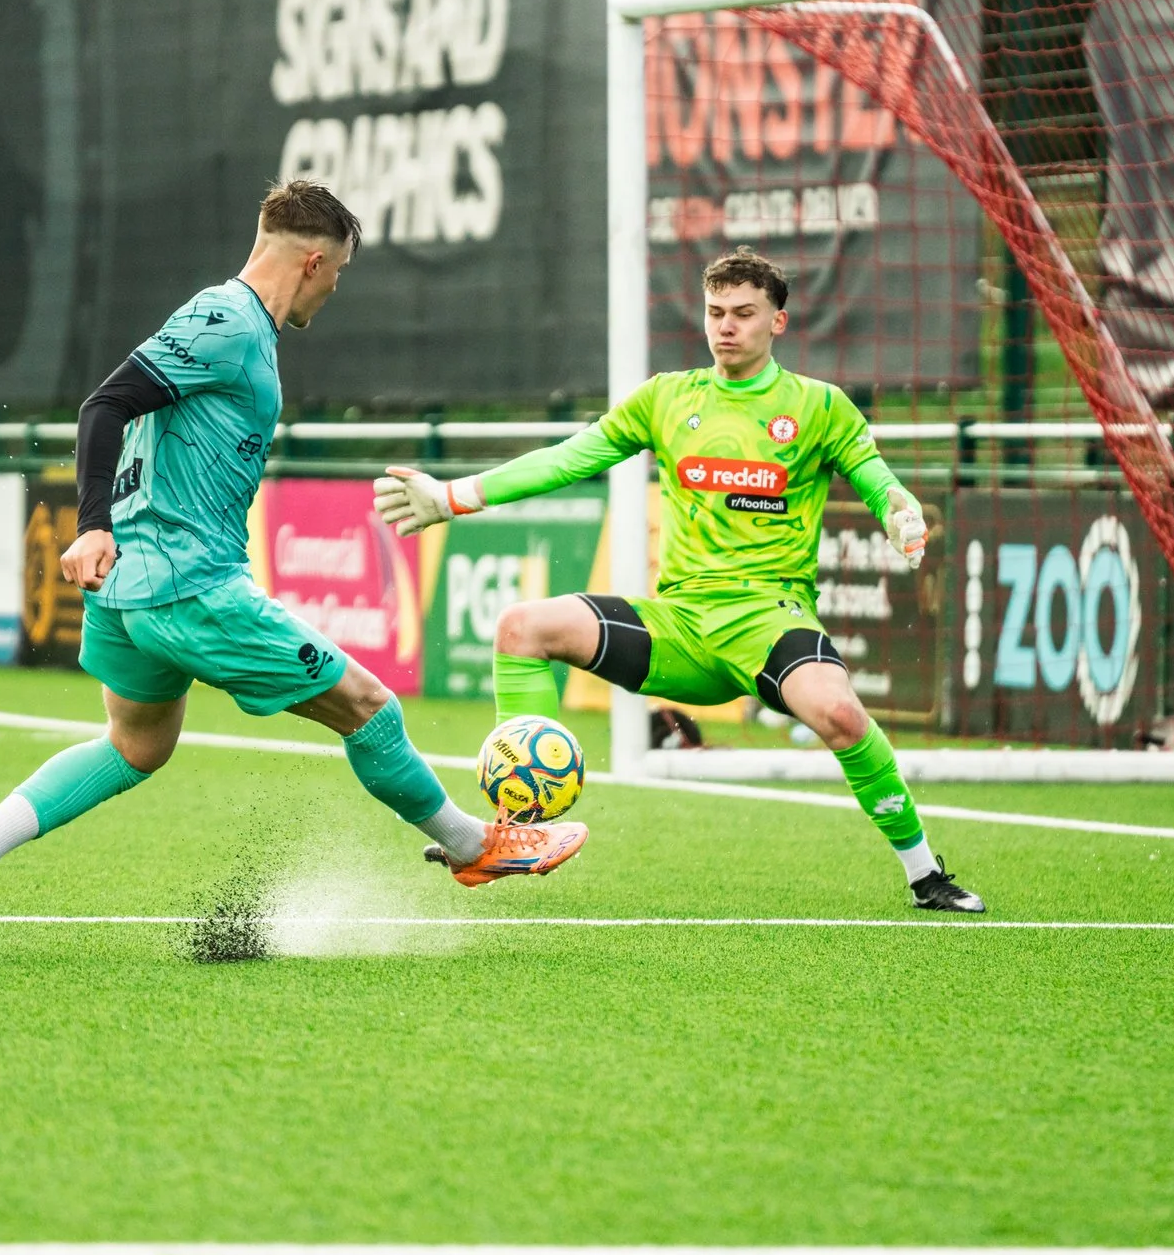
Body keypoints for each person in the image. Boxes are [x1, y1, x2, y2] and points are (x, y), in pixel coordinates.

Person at [0, 180, 584, 953]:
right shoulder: (225, 319)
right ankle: (475, 846)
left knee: (136, 746)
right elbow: (104, 405)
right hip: (185, 585)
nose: (334, 290)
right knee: (368, 705)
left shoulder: (239, 326)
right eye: (339, 273)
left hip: (133, 591)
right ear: (314, 260)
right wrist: (93, 523)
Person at [375, 246, 985, 914]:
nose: (726, 325)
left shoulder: (818, 406)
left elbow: (874, 476)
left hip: (770, 621)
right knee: (522, 626)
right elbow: (572, 457)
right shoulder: (668, 397)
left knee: (841, 713)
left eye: (744, 313)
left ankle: (926, 874)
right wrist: (457, 495)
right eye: (715, 311)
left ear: (777, 321)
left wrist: (897, 509)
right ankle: (521, 827)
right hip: (680, 627)